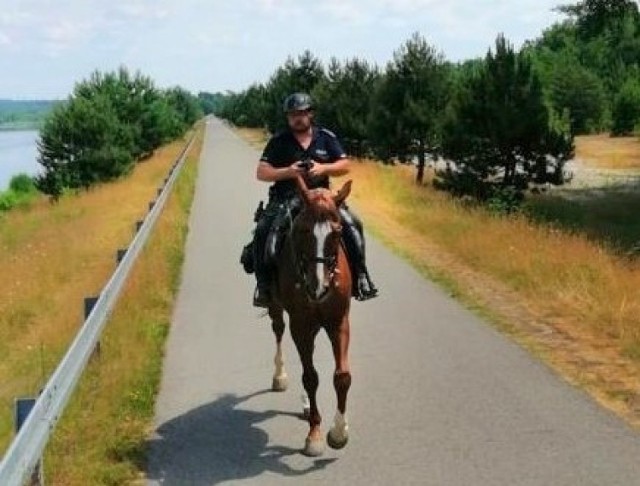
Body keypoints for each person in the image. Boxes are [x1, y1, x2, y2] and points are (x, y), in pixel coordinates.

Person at [251, 92, 378, 308]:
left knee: (352, 223)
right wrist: (289, 172)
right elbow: (262, 172)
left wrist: (323, 168)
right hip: (286, 197)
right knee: (264, 230)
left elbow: (345, 165)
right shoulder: (279, 140)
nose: (297, 118)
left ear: (310, 114)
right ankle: (263, 287)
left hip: (322, 197)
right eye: (292, 115)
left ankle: (362, 277)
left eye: (301, 113)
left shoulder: (326, 137)